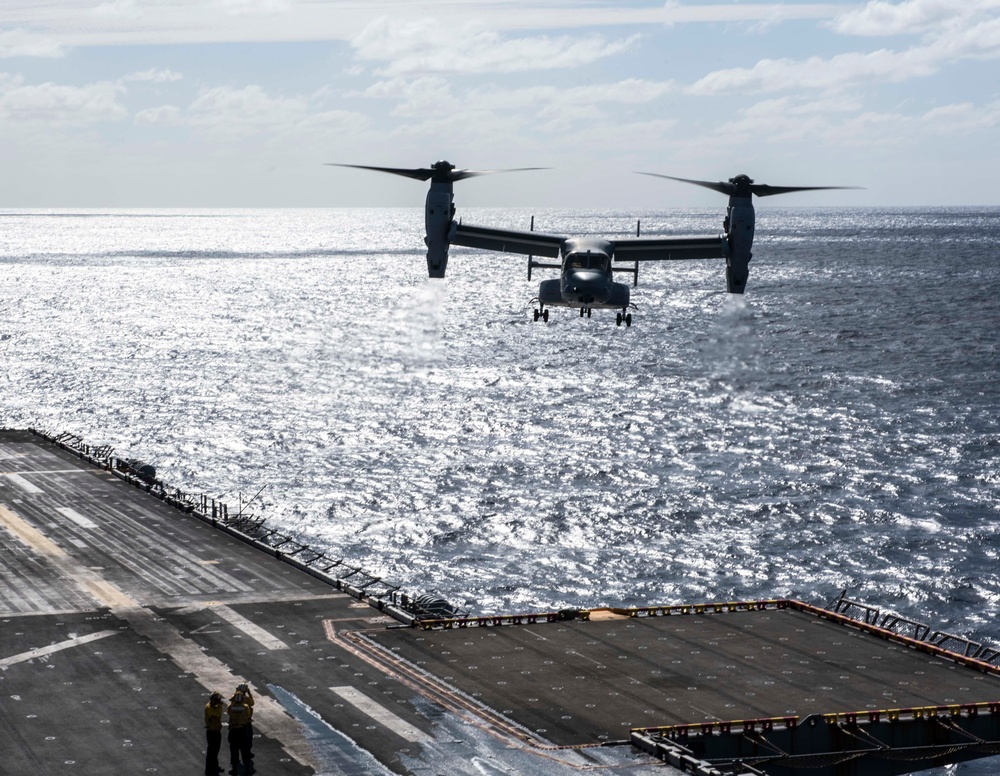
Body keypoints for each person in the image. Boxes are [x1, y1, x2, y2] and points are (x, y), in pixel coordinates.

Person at [226, 692, 254, 775]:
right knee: (244, 751)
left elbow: (228, 712)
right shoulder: (245, 707)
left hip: (233, 730)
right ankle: (247, 769)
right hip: (242, 730)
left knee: (234, 751)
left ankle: (234, 769)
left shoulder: (231, 707)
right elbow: (248, 715)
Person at [204, 691, 224, 776]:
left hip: (216, 730)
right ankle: (209, 769)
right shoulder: (209, 707)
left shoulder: (214, 707)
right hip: (212, 731)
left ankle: (215, 766)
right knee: (211, 751)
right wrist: (219, 705)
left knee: (215, 750)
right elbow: (217, 713)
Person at [233, 682, 255, 760]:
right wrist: (250, 694)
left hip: (234, 723)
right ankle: (247, 754)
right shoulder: (245, 700)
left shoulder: (234, 699)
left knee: (235, 744)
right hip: (245, 722)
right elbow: (252, 703)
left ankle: (236, 759)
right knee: (247, 739)